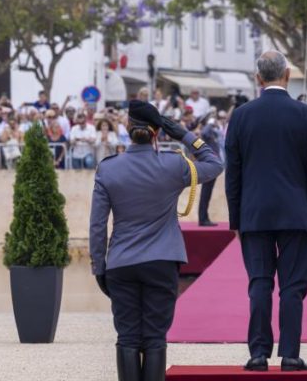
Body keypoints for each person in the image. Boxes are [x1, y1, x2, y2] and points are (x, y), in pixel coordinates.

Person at [90, 100, 223, 381]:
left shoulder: (108, 169)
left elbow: (97, 226)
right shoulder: (174, 165)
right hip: (162, 261)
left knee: (127, 337)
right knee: (154, 337)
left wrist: (98, 266)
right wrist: (183, 134)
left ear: (127, 129)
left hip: (121, 263)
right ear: (157, 133)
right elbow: (215, 163)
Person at [225, 51, 307, 372]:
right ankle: (291, 355)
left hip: (254, 213)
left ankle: (258, 353)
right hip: (296, 213)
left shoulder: (240, 116)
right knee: (293, 287)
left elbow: (234, 173)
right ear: (287, 74)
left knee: (259, 283)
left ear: (258, 78)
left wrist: (235, 218)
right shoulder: (306, 115)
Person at [196, 114, 224, 226]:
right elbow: (205, 132)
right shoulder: (206, 131)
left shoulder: (211, 132)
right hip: (209, 166)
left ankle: (204, 217)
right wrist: (210, 123)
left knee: (207, 193)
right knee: (205, 193)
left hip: (212, 165)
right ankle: (203, 219)